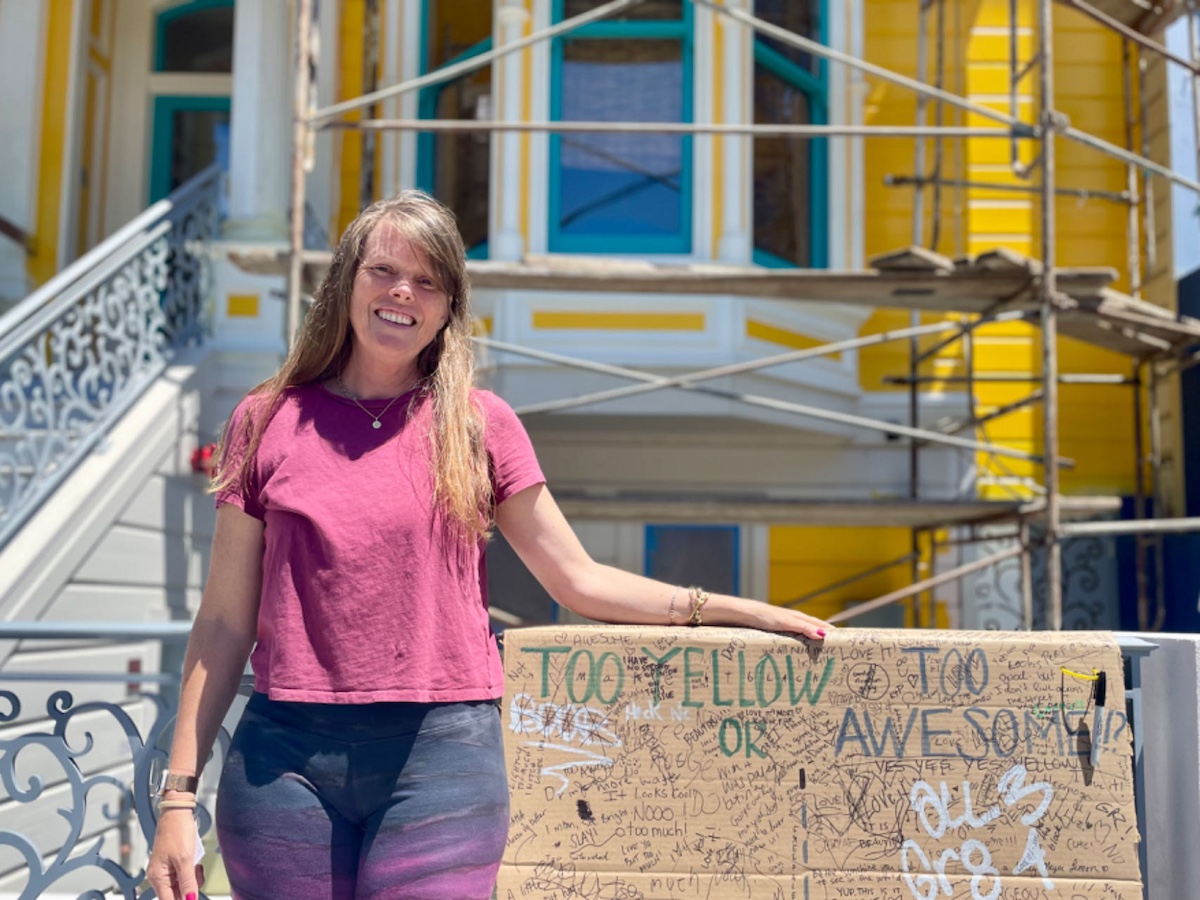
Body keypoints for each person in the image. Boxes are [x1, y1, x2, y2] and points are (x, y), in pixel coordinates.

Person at [146, 190, 832, 900]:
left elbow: (577, 579)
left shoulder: (479, 425)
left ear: (447, 308)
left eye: (428, 281)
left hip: (441, 761)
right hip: (282, 762)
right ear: (347, 280)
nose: (402, 292)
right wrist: (176, 799)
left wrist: (731, 609)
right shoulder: (267, 421)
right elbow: (224, 624)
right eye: (383, 270)